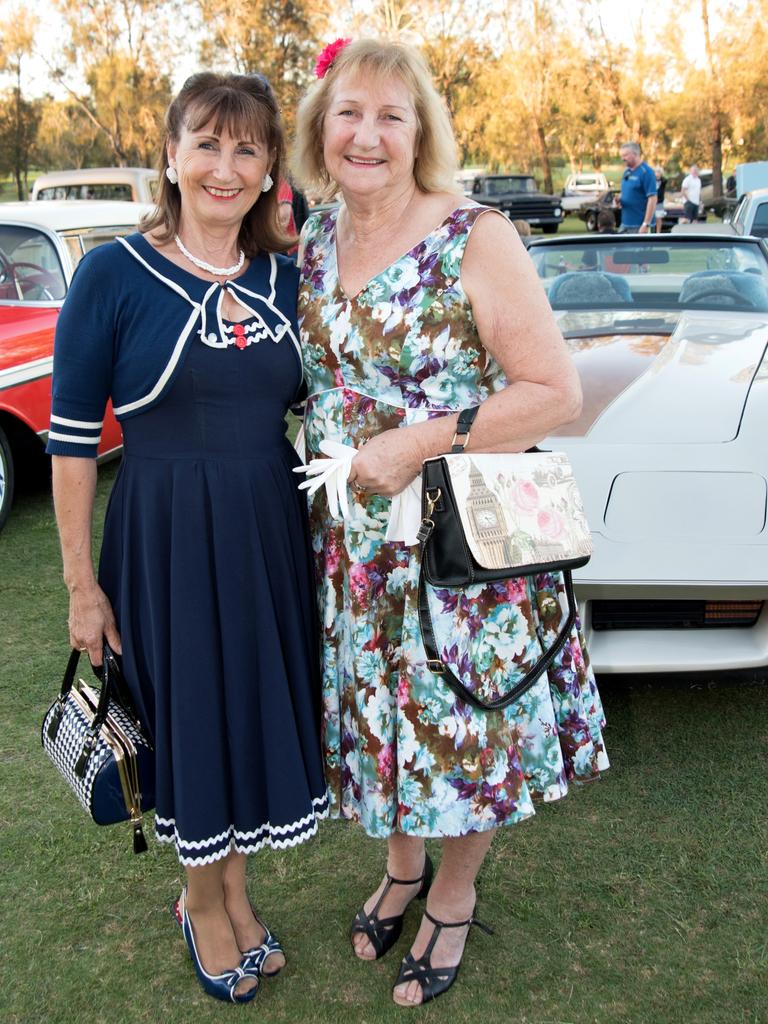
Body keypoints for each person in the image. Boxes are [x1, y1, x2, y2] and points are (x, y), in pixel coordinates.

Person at [293, 38, 609, 1008]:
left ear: (421, 130)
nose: (368, 134)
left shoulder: (477, 235)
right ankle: (401, 864)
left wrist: (417, 443)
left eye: (393, 115)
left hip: (459, 540)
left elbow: (554, 391)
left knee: (463, 723)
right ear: (320, 129)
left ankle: (456, 889)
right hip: (352, 544)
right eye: (349, 112)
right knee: (381, 722)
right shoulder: (311, 238)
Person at [47, 72, 328, 1004]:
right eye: (206, 143)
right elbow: (74, 443)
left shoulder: (288, 277)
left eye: (247, 148)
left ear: (269, 171)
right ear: (169, 156)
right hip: (165, 540)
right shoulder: (112, 274)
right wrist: (82, 587)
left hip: (267, 534)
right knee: (195, 720)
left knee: (247, 713)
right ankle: (202, 902)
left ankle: (235, 891)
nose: (224, 165)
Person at [617, 141, 657, 232]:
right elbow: (625, 192)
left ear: (635, 154)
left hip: (639, 225)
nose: (623, 158)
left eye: (625, 155)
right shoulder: (627, 172)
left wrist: (645, 224)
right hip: (625, 223)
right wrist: (619, 199)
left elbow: (652, 198)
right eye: (621, 156)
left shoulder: (646, 172)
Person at [654, 167, 667, 233]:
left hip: (659, 202)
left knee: (658, 218)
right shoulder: (652, 181)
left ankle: (658, 232)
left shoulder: (663, 181)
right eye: (656, 172)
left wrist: (659, 177)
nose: (657, 174)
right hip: (652, 202)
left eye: (659, 172)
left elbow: (664, 180)